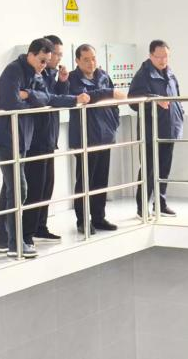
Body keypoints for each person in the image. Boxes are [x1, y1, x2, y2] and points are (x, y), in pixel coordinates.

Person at [0, 38, 55, 258]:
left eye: (47, 62)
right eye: (42, 60)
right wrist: (33, 100)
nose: (44, 65)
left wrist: (31, 95)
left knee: (10, 187)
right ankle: (15, 244)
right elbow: (12, 104)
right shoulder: (13, 71)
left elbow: (48, 97)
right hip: (6, 138)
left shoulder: (35, 74)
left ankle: (3, 240)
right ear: (31, 54)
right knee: (19, 188)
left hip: (22, 138)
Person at [24, 36, 89, 245]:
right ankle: (27, 232)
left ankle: (40, 226)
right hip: (36, 138)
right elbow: (48, 99)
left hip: (49, 138)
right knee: (35, 187)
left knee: (46, 185)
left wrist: (62, 82)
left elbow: (55, 98)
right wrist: (70, 97)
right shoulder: (35, 74)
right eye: (56, 54)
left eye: (60, 54)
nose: (58, 58)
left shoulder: (50, 74)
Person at [69, 44, 126, 234]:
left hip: (105, 136)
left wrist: (113, 124)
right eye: (86, 59)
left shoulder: (103, 76)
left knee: (101, 180)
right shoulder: (72, 79)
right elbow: (84, 97)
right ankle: (82, 221)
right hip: (85, 138)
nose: (91, 63)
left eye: (93, 58)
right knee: (85, 181)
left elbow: (114, 103)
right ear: (77, 61)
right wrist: (108, 93)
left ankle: (99, 218)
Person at [128, 40, 184, 218]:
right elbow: (133, 100)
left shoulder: (170, 73)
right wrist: (155, 99)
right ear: (150, 55)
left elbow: (177, 97)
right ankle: (142, 207)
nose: (162, 60)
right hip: (151, 130)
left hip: (170, 128)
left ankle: (160, 204)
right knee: (149, 169)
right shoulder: (143, 75)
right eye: (158, 57)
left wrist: (180, 114)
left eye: (165, 56)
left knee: (164, 169)